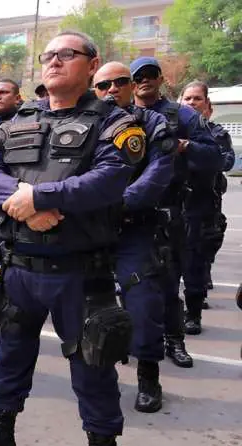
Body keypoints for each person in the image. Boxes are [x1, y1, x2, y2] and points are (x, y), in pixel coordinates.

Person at [0, 32, 144, 446]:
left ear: (92, 64)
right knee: (9, 358)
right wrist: (27, 205)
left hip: (81, 275)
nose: (55, 61)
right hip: (19, 267)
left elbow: (109, 180)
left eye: (67, 54)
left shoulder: (116, 122)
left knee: (93, 367)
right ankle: (0, 434)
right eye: (49, 55)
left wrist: (39, 198)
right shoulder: (18, 120)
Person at [93, 62, 175, 414]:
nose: (112, 89)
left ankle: (148, 376)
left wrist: (119, 203)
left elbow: (159, 172)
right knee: (87, 305)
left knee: (142, 303)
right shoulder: (84, 123)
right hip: (89, 229)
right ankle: (95, 376)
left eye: (120, 82)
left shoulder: (153, 123)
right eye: (103, 85)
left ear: (131, 87)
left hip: (134, 227)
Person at [132, 57, 222, 366]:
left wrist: (186, 146)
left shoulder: (182, 115)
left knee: (168, 282)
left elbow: (215, 157)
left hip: (168, 212)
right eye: (138, 76)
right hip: (126, 211)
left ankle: (174, 340)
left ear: (160, 79)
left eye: (150, 74)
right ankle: (133, 340)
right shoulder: (121, 115)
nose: (144, 80)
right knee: (127, 284)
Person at [180, 82, 235, 302]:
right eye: (187, 98)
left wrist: (191, 150)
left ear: (207, 105)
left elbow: (225, 161)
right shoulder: (171, 129)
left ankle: (195, 304)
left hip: (203, 206)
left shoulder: (217, 134)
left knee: (198, 258)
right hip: (176, 205)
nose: (192, 102)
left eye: (197, 98)